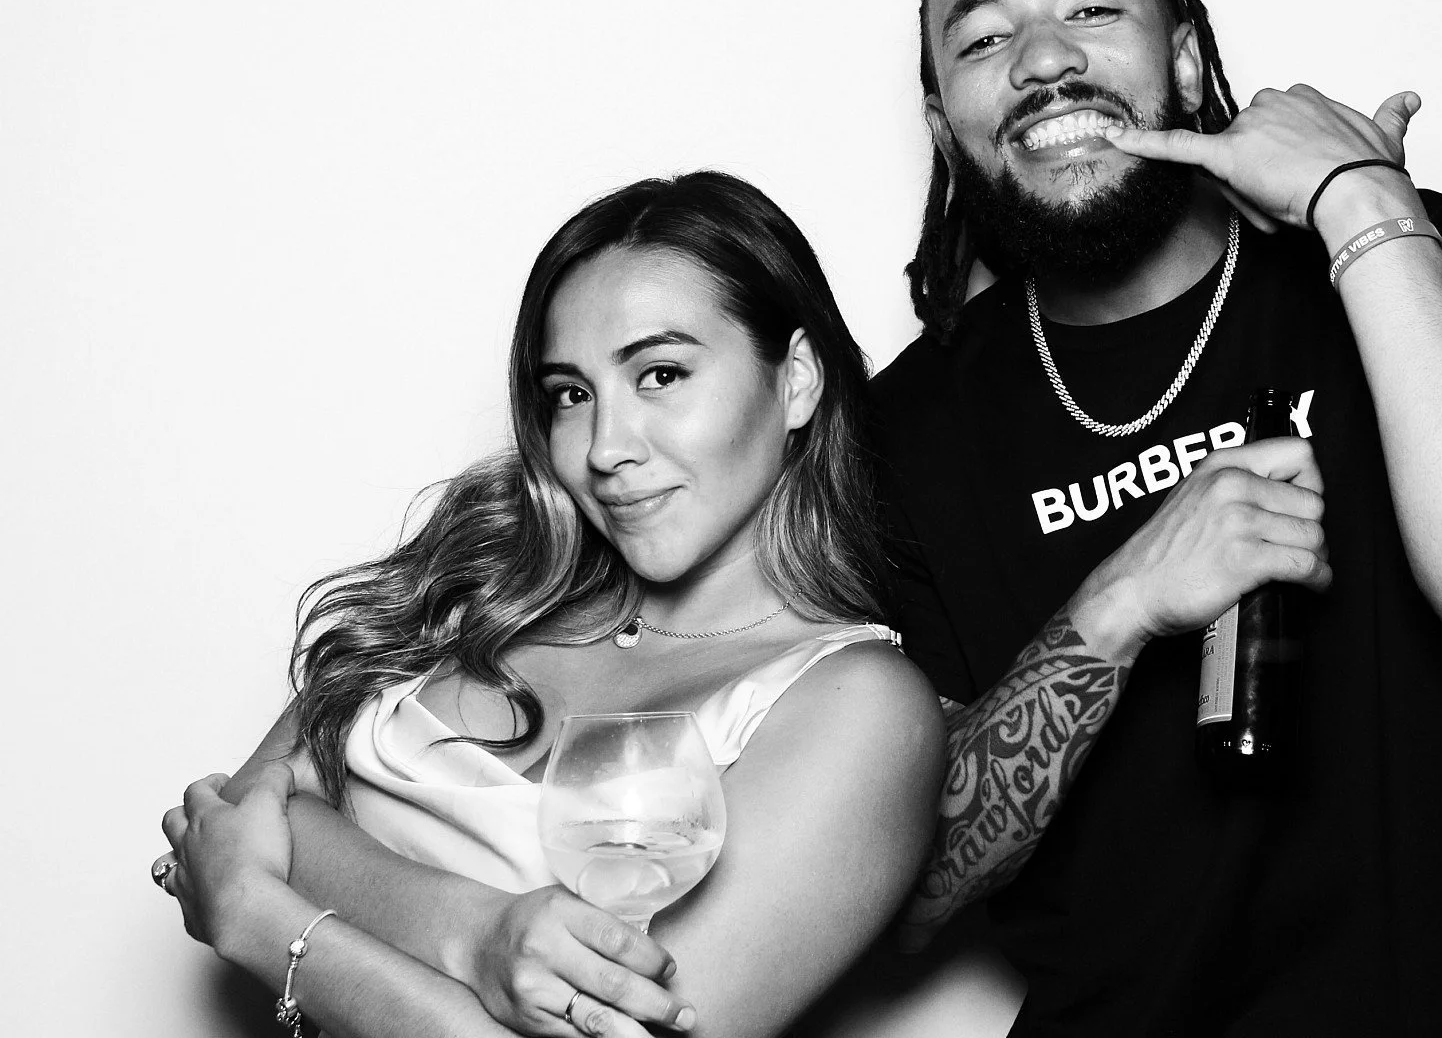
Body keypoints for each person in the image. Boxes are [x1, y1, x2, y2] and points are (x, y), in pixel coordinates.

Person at [874, 0, 1442, 1036]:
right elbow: (904, 886)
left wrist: (1360, 202)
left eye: (1088, 10)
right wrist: (1119, 602)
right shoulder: (902, 434)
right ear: (947, 126)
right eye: (982, 38)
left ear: (1182, 62)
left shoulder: (1407, 259)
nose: (1039, 61)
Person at [153, 172, 945, 1038]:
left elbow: (247, 858)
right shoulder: (490, 585)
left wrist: (267, 923)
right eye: (570, 394)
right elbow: (232, 816)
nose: (605, 448)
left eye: (661, 374)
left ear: (795, 380)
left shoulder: (857, 706)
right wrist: (475, 932)